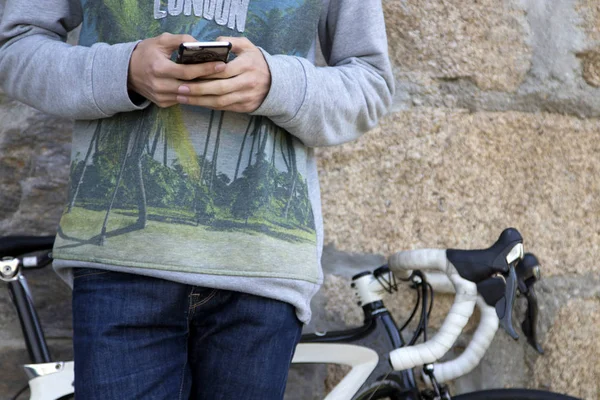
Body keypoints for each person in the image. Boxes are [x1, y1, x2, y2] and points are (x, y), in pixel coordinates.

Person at [0, 0, 394, 398]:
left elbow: (371, 86)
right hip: (122, 265)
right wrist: (124, 70)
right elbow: (14, 47)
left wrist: (275, 82)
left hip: (260, 273)